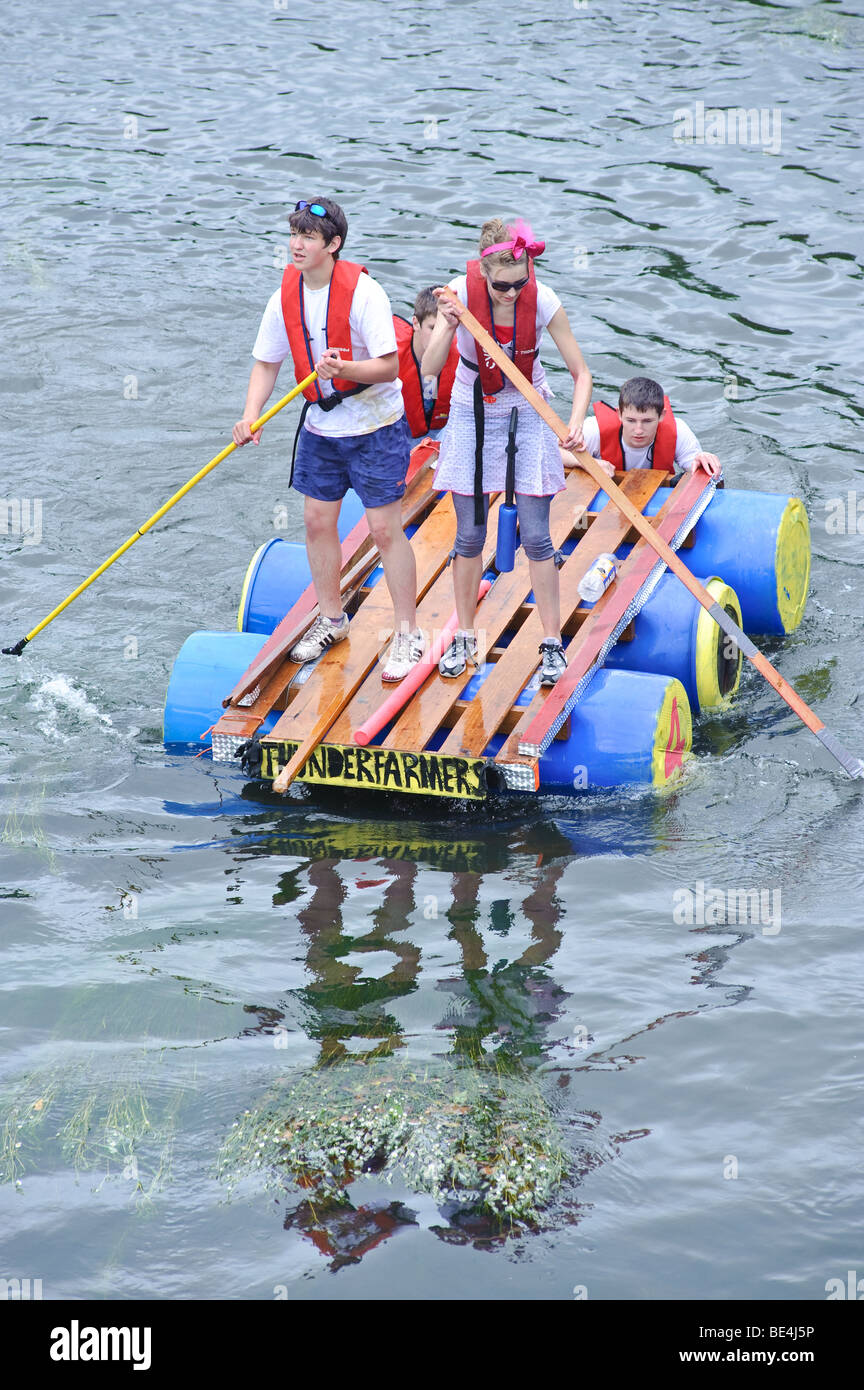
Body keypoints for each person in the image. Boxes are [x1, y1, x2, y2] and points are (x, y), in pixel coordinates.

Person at [232, 197, 424, 683]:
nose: (296, 244)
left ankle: (407, 633)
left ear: (333, 245)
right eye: (293, 235)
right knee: (317, 522)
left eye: (308, 237)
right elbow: (266, 362)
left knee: (384, 530)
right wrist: (250, 415)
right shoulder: (285, 296)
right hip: (321, 427)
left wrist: (344, 370)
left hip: (376, 426)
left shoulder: (364, 294)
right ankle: (332, 619)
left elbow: (386, 366)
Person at [421, 217, 592, 687]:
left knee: (537, 537)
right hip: (472, 409)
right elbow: (430, 368)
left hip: (529, 406)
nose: (511, 294)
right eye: (501, 285)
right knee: (470, 537)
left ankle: (553, 645)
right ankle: (465, 638)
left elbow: (582, 373)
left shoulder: (544, 300)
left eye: (520, 284)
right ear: (482, 271)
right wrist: (447, 327)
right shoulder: (458, 293)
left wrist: (575, 423)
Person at [572, 376, 722, 478]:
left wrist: (705, 461)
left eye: (647, 421)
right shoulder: (594, 429)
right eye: (631, 420)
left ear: (662, 416)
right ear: (619, 414)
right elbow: (555, 453)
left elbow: (702, 475)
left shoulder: (679, 431)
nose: (638, 430)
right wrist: (589, 463)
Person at [393, 287, 459, 439]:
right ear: (416, 323)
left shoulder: (463, 353)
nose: (438, 336)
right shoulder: (389, 351)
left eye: (444, 328)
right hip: (401, 434)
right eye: (433, 328)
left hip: (440, 431)